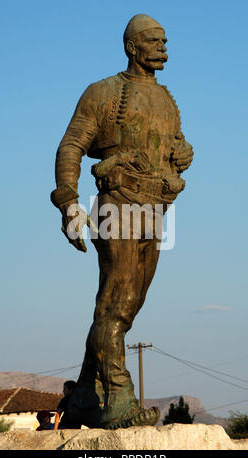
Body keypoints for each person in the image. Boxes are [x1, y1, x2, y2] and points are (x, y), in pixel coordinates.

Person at [51, 14, 193, 429]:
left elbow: (172, 147)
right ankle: (118, 399)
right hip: (117, 205)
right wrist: (69, 202)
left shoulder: (166, 98)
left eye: (165, 39)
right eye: (154, 40)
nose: (163, 46)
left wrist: (182, 154)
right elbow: (72, 144)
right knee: (118, 303)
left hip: (155, 209)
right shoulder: (105, 92)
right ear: (133, 46)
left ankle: (83, 398)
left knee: (124, 306)